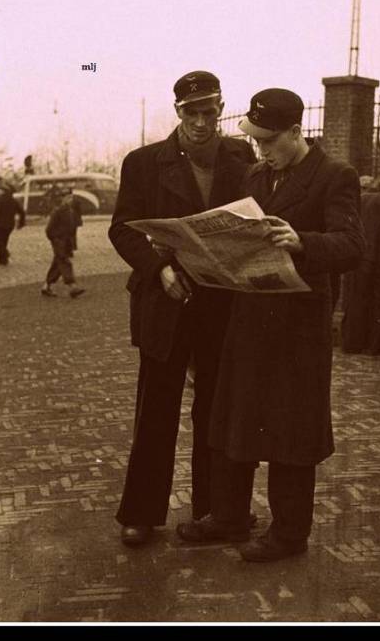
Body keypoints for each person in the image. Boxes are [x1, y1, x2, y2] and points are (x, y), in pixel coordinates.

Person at [177, 88, 364, 562]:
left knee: (290, 433)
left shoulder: (334, 175)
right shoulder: (257, 175)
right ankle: (230, 517)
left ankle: (289, 534)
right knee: (236, 420)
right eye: (256, 141)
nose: (260, 151)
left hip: (298, 328)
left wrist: (303, 241)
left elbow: (351, 245)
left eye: (269, 141)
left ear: (297, 132)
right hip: (250, 317)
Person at [108, 71, 256, 547]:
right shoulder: (144, 163)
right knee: (156, 411)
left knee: (215, 410)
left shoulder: (240, 155)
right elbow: (123, 230)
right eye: (190, 112)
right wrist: (159, 270)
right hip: (165, 303)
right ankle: (142, 513)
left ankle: (213, 510)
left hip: (220, 301)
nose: (200, 121)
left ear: (220, 108)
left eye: (208, 111)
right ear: (177, 113)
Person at [340, 171, 380, 354]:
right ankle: (375, 346)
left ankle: (352, 343)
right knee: (379, 303)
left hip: (360, 256)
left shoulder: (366, 199)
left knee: (357, 300)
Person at [41, 190, 86, 298]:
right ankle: (72, 286)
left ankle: (47, 286)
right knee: (64, 262)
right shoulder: (58, 211)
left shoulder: (70, 210)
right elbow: (49, 230)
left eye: (71, 197)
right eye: (68, 198)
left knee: (57, 264)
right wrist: (56, 239)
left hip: (66, 241)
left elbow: (72, 228)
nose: (70, 200)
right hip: (59, 241)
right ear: (63, 198)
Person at [0, 183, 25, 264]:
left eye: (0, 190)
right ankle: (2, 260)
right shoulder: (14, 201)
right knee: (4, 241)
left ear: (4, 191)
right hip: (10, 225)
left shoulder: (0, 200)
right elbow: (22, 212)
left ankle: (5, 253)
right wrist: (21, 222)